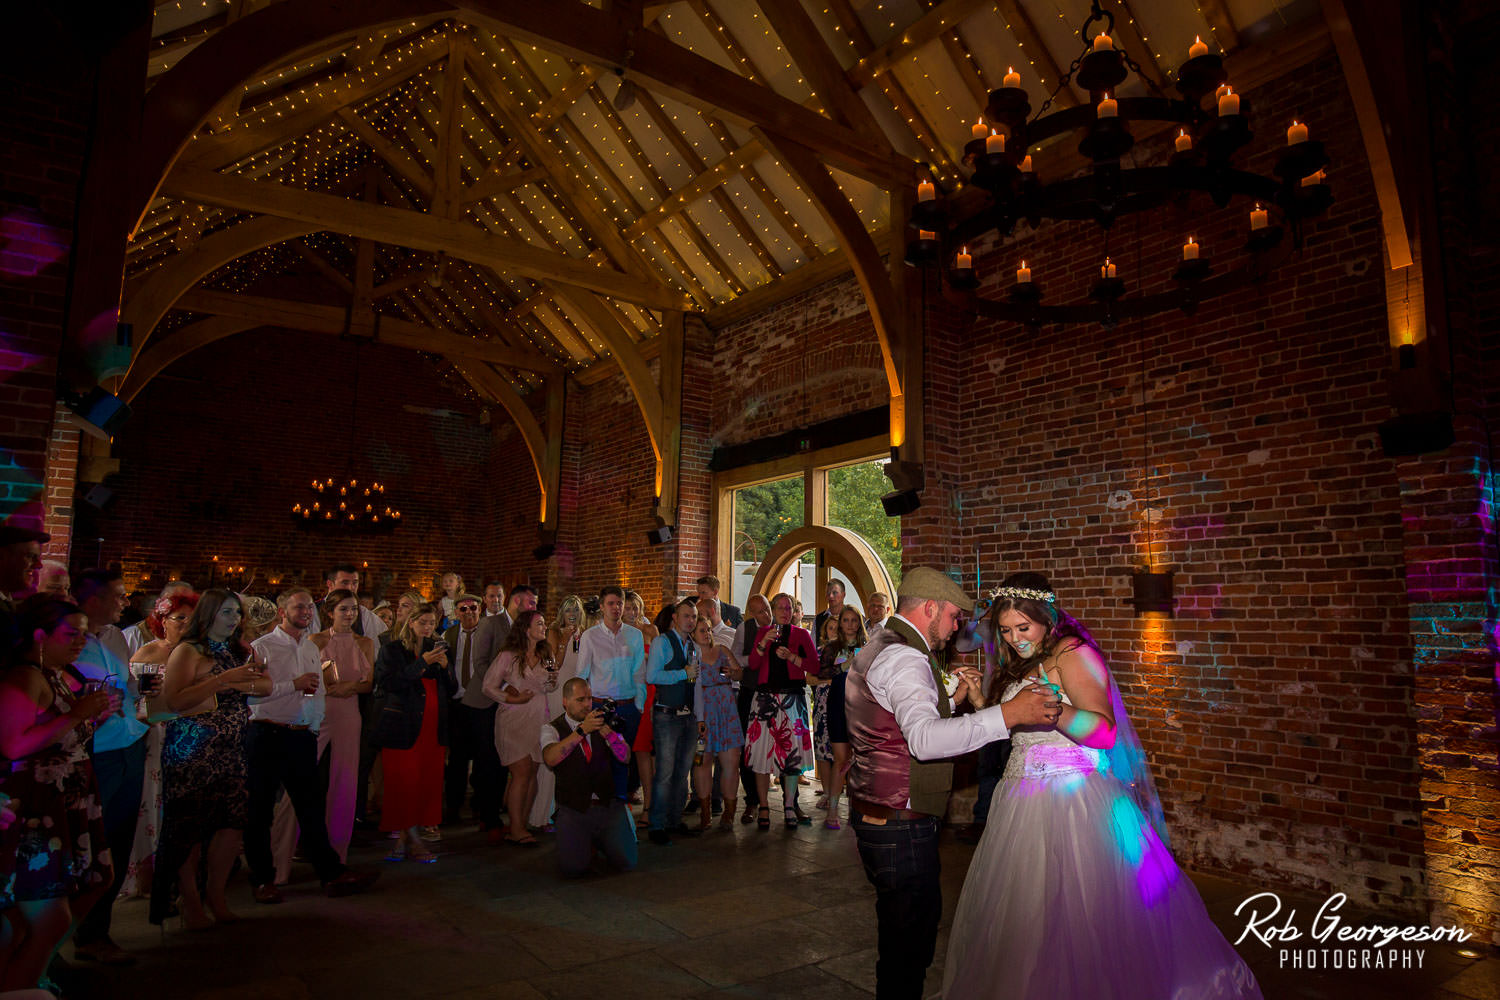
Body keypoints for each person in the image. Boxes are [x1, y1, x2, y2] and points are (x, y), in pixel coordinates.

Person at [942, 574, 1262, 999]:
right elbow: (1019, 727)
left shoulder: (1072, 654)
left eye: (1024, 628)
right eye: (1006, 630)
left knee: (1085, 921)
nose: (1015, 638)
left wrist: (1054, 713)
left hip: (1075, 802)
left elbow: (1105, 731)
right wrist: (984, 703)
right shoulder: (1023, 660)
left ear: (1047, 619)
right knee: (1029, 921)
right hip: (1020, 800)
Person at [843, 567, 1061, 1000]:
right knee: (910, 945)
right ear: (929, 608)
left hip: (880, 811)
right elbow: (923, 741)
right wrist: (1008, 715)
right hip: (898, 821)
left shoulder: (881, 645)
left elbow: (897, 719)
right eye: (953, 616)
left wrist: (954, 701)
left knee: (904, 934)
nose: (956, 626)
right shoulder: (905, 657)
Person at [0, 596, 116, 993]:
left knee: (96, 880)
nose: (80, 642)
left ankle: (36, 970)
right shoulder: (25, 676)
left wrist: (92, 718)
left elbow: (62, 738)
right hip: (38, 806)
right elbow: (14, 745)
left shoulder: (56, 673)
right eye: (71, 633)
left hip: (71, 798)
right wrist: (77, 714)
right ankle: (22, 985)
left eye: (84, 633)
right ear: (39, 634)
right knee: (47, 915)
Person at [244, 590, 378, 904]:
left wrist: (313, 724)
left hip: (302, 733)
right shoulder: (262, 647)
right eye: (298, 606)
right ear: (282, 611)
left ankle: (331, 873)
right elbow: (252, 694)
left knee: (311, 806)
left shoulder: (307, 647)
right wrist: (293, 685)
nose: (305, 611)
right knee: (261, 809)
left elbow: (315, 692)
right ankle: (265, 878)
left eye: (308, 606)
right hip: (268, 732)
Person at [152, 589, 268, 928]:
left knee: (231, 824)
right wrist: (221, 680)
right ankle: (190, 902)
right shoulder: (189, 651)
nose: (234, 619)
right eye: (227, 612)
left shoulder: (239, 651)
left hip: (231, 748)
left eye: (237, 613)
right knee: (189, 828)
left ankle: (216, 895)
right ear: (209, 614)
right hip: (193, 750)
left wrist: (248, 680)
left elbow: (265, 685)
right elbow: (174, 701)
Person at [70, 570, 150, 966]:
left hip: (129, 743)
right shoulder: (68, 641)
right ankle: (70, 934)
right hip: (95, 753)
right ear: (92, 599)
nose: (124, 602)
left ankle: (97, 931)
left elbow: (129, 687)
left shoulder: (116, 638)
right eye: (117, 596)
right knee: (89, 844)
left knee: (117, 841)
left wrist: (142, 699)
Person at [273, 588, 375, 877]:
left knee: (345, 782)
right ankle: (278, 861)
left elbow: (368, 683)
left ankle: (336, 858)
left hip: (349, 714)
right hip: (317, 712)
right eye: (343, 609)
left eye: (353, 609)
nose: (350, 614)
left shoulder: (365, 642)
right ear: (330, 612)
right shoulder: (315, 641)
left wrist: (350, 687)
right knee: (299, 780)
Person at [120, 589, 198, 899]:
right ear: (161, 620)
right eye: (180, 619)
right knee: (154, 802)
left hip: (194, 733)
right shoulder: (150, 654)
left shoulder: (199, 653)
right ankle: (148, 875)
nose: (187, 625)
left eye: (192, 619)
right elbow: (148, 702)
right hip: (161, 732)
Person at [371, 603, 451, 862]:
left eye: (432, 623)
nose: (428, 628)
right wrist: (422, 664)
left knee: (425, 785)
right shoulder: (393, 649)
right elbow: (388, 683)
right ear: (411, 622)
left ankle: (404, 842)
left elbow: (451, 688)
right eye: (423, 622)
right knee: (403, 784)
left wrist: (445, 666)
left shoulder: (435, 648)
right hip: (403, 727)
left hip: (431, 727)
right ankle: (414, 842)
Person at [541, 678, 637, 878]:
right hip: (574, 808)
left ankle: (601, 841)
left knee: (627, 862)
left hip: (606, 806)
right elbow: (550, 758)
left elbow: (625, 757)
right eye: (580, 700)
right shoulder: (552, 728)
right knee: (574, 869)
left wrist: (609, 735)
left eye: (589, 699)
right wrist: (581, 731)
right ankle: (586, 842)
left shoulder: (602, 722)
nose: (587, 704)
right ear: (565, 701)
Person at [745, 592, 818, 830]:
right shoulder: (763, 632)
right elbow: (753, 666)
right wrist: (763, 642)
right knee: (761, 755)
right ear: (772, 611)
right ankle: (764, 806)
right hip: (765, 700)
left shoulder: (802, 634)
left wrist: (794, 658)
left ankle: (789, 805)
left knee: (792, 755)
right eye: (780, 608)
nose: (785, 613)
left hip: (793, 699)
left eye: (789, 608)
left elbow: (815, 665)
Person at [482, 609, 552, 846]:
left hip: (538, 718)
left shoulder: (545, 653)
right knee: (521, 771)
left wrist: (552, 681)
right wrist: (512, 698)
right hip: (514, 719)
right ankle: (516, 826)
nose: (544, 627)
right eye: (540, 624)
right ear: (526, 629)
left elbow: (549, 685)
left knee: (532, 772)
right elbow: (488, 686)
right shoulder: (508, 655)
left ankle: (520, 823)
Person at [572, 586, 645, 802]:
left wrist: (639, 706)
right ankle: (599, 808)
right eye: (611, 603)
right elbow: (581, 674)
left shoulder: (635, 635)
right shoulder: (590, 636)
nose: (616, 607)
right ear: (602, 606)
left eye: (619, 603)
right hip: (599, 706)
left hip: (628, 706)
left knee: (623, 760)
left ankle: (620, 806)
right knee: (599, 761)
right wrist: (582, 709)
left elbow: (639, 673)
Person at [441, 594, 500, 836]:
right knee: (457, 758)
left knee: (485, 756)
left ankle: (482, 805)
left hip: (482, 702)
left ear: (480, 609)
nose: (468, 612)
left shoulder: (488, 633)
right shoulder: (449, 636)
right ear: (456, 613)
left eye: (473, 608)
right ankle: (453, 806)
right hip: (458, 702)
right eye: (463, 609)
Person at [643, 598, 701, 846]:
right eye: (686, 615)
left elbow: (696, 682)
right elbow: (652, 675)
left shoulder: (693, 646)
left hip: (689, 715)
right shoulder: (662, 642)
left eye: (694, 617)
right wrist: (682, 673)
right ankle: (657, 824)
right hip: (667, 714)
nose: (691, 620)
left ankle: (674, 819)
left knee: (682, 771)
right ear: (675, 618)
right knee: (665, 772)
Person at [534, 596, 588, 829]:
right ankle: (542, 815)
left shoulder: (586, 633)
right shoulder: (554, 632)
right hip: (558, 694)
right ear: (561, 612)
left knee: (576, 755)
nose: (572, 614)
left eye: (576, 610)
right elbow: (551, 666)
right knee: (555, 752)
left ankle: (569, 810)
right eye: (568, 609)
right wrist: (565, 641)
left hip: (578, 697)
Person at [688, 617, 742, 831]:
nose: (707, 634)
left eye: (709, 630)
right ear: (693, 634)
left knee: (731, 763)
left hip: (726, 710)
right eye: (702, 630)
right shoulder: (692, 656)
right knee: (702, 762)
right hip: (704, 713)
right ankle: (705, 811)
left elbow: (739, 672)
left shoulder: (722, 650)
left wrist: (733, 673)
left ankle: (729, 812)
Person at [814, 606, 866, 830]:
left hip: (862, 706)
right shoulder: (832, 647)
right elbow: (822, 673)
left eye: (854, 620)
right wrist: (842, 667)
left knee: (861, 760)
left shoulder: (868, 647)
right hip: (837, 704)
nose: (850, 624)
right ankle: (833, 809)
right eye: (846, 620)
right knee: (840, 758)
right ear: (841, 622)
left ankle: (857, 809)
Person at [728, 594, 770, 825]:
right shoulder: (745, 629)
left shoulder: (782, 626)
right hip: (750, 690)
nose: (765, 614)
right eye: (759, 611)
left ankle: (788, 802)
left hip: (774, 693)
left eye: (766, 608)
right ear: (752, 613)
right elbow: (735, 657)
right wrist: (756, 658)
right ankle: (752, 801)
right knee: (748, 746)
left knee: (777, 746)